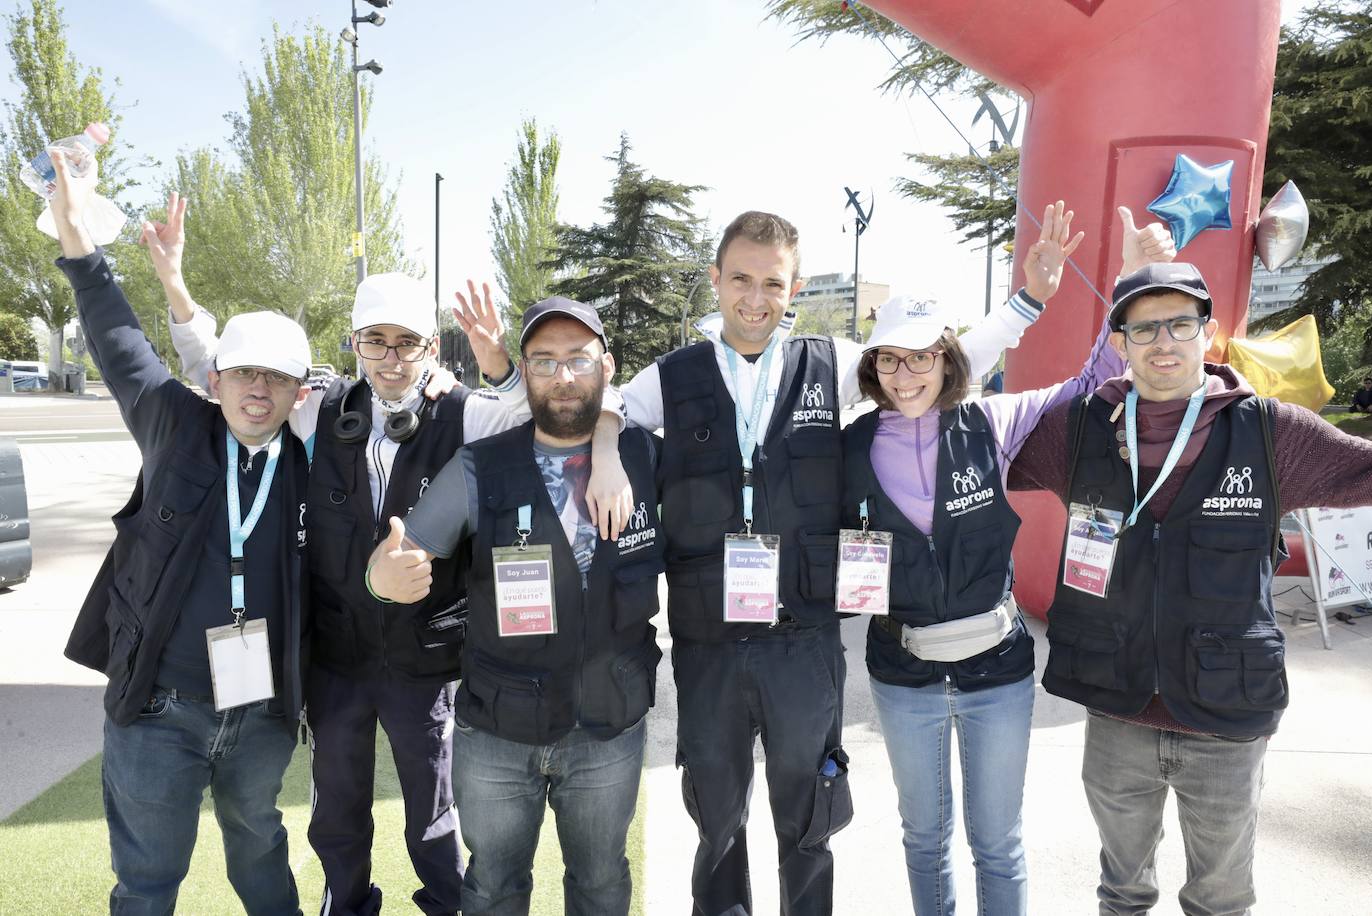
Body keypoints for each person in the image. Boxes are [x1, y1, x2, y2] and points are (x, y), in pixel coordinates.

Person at [145, 195, 629, 916]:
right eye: (376, 341)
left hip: (425, 659)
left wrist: (505, 371)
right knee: (336, 811)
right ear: (355, 345)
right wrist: (178, 288)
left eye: (408, 342)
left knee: (432, 813)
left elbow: (563, 402)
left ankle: (444, 905)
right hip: (337, 661)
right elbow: (223, 369)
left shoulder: (468, 414)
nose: (392, 358)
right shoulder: (318, 407)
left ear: (432, 348)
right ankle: (350, 905)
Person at [607, 209, 1049, 914]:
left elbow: (936, 359)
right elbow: (593, 407)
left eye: (773, 283)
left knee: (808, 820)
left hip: (803, 645)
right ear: (716, 281)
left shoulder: (831, 363)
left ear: (796, 288)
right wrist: (605, 445)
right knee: (717, 823)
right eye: (742, 280)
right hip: (708, 644)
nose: (756, 298)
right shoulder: (673, 376)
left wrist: (1026, 302)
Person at [1009, 260, 1372, 915]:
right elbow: (962, 449)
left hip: (1225, 720)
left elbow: (1366, 472)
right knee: (1122, 892)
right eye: (1143, 328)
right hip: (1116, 708)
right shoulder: (1079, 428)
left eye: (1180, 322)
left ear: (1207, 332)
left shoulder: (1269, 432)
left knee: (1220, 899)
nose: (1163, 341)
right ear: (1118, 342)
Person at [843, 204, 1174, 913]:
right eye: (892, 358)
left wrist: (1127, 282)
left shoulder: (990, 422)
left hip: (996, 672)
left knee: (997, 842)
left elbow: (1087, 388)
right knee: (924, 838)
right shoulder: (850, 445)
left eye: (923, 356)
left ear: (947, 359)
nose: (906, 375)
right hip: (905, 677)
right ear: (875, 365)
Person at [51, 152, 309, 914]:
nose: (258, 390)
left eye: (277, 378)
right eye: (244, 373)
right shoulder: (173, 423)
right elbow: (117, 338)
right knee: (148, 882)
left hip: (260, 712)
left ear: (299, 390)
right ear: (217, 378)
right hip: (160, 708)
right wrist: (78, 241)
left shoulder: (315, 462)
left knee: (260, 857)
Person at [367, 297, 663, 916]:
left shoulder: (648, 460)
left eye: (578, 361)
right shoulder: (481, 466)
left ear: (606, 368)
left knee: (602, 883)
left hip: (609, 727)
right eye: (544, 361)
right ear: (522, 371)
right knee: (494, 887)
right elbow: (400, 550)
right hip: (498, 732)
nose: (562, 376)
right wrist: (383, 577)